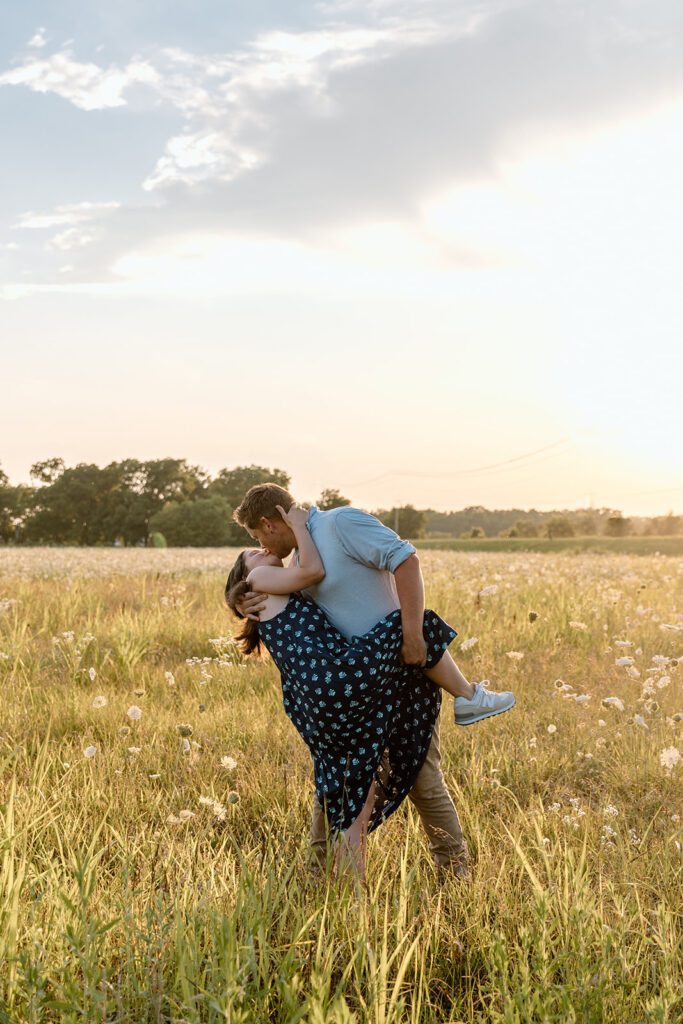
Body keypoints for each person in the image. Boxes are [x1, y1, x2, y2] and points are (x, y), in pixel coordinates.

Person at [228, 485, 515, 881]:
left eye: (258, 537)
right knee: (339, 782)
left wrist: (413, 634)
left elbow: (407, 562)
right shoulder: (295, 559)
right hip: (355, 684)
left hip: (403, 668)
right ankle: (318, 876)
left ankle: (456, 874)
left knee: (423, 779)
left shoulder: (341, 522)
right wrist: (242, 597)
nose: (262, 545)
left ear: (268, 522)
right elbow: (303, 620)